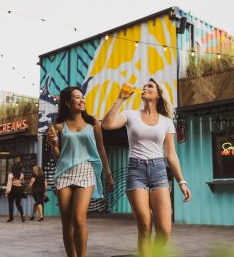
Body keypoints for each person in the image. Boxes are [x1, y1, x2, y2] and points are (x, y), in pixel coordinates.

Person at [102, 78, 192, 256]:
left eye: (149, 86)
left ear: (158, 94)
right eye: (143, 87)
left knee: (165, 231)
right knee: (144, 225)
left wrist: (181, 181)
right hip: (136, 171)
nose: (144, 88)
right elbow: (107, 124)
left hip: (158, 170)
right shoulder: (131, 115)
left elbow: (171, 154)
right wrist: (120, 99)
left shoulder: (166, 121)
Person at [47, 86, 114, 257]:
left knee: (78, 219)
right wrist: (54, 145)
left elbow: (101, 149)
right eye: (77, 97)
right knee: (66, 223)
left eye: (82, 97)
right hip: (64, 173)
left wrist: (108, 174)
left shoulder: (94, 123)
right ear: (68, 103)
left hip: (86, 171)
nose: (82, 100)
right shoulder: (58, 127)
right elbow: (58, 156)